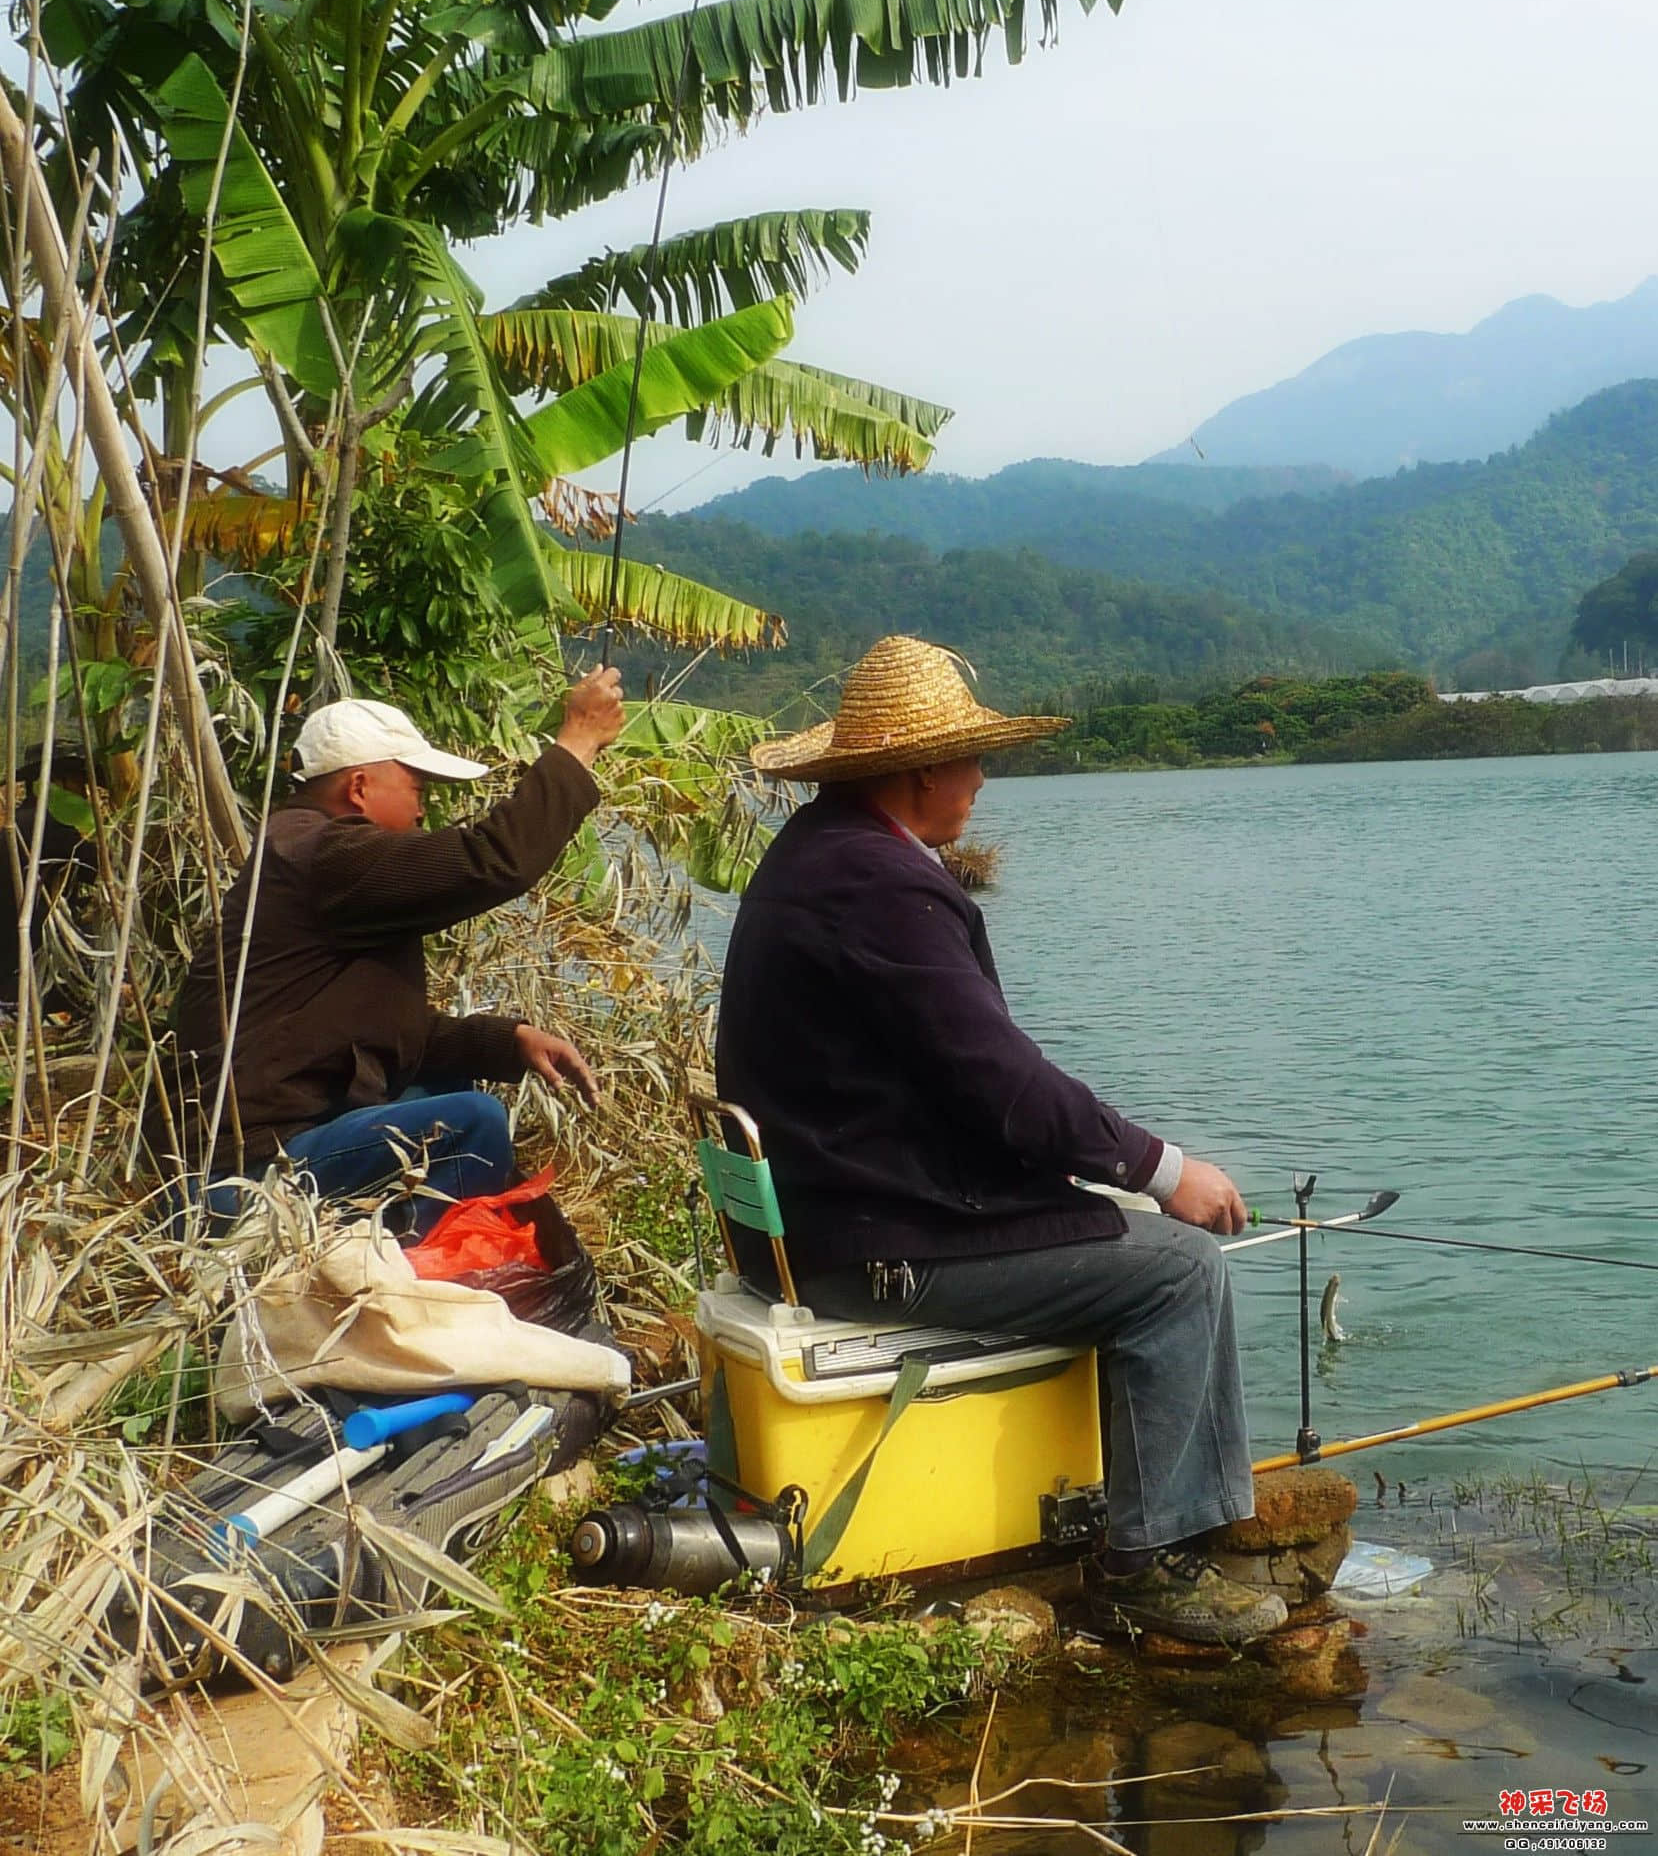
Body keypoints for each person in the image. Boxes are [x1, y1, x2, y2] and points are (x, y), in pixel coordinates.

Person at [716, 635, 1285, 1648]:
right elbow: (1003, 1086)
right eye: (971, 756)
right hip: (880, 1242)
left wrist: (1101, 1169)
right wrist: (1162, 1169)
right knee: (1178, 1267)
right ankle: (1146, 1562)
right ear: (923, 767)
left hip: (818, 1221)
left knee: (1124, 1232)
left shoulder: (814, 855)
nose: (981, 778)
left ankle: (1137, 1502)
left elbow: (967, 1078)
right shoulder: (883, 887)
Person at [166, 669, 625, 1235]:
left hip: (277, 1144)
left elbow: (379, 1034)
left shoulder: (308, 857)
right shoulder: (325, 853)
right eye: (417, 791)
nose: (421, 814)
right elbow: (492, 861)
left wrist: (505, 1042)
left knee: (451, 1088)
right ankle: (434, 1289)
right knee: (473, 1120)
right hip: (248, 1175)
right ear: (358, 788)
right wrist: (577, 742)